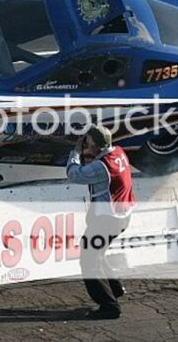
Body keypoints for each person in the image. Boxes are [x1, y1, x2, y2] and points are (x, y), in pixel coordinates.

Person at [66, 124, 136, 320]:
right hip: (121, 216)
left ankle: (109, 306)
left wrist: (75, 152)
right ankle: (115, 288)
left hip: (108, 220)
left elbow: (74, 174)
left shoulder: (101, 167)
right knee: (97, 253)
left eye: (88, 142)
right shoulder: (118, 152)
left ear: (95, 147)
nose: (85, 144)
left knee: (89, 261)